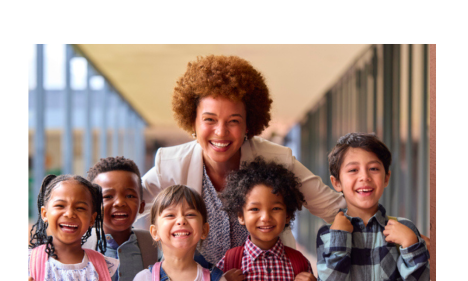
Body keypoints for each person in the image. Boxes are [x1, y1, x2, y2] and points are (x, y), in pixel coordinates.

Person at [141, 55, 346, 265]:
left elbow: (339, 211)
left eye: (234, 121)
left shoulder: (276, 160)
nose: (221, 132)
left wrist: (332, 266)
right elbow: (125, 207)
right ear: (193, 122)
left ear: (248, 125)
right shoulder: (169, 165)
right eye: (209, 119)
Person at [316, 133, 430, 281]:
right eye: (353, 170)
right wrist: (339, 238)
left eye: (374, 168)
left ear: (386, 178)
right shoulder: (327, 234)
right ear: (337, 182)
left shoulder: (405, 229)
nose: (365, 177)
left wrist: (410, 244)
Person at [217, 157, 316, 281]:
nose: (265, 218)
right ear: (241, 216)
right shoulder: (229, 262)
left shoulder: (300, 263)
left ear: (287, 214)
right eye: (255, 209)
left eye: (275, 208)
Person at [28, 174, 119, 281]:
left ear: (92, 219)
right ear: (44, 214)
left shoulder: (102, 265)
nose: (70, 214)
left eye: (80, 208)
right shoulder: (28, 262)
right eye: (60, 205)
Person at [83, 156, 157, 281]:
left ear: (142, 206)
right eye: (108, 196)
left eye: (129, 195)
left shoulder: (155, 246)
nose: (119, 203)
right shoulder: (80, 246)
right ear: (93, 206)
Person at [133, 185, 225, 281]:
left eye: (190, 214)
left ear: (204, 230)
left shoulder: (217, 279)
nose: (181, 220)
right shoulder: (143, 278)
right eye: (170, 215)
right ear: (155, 232)